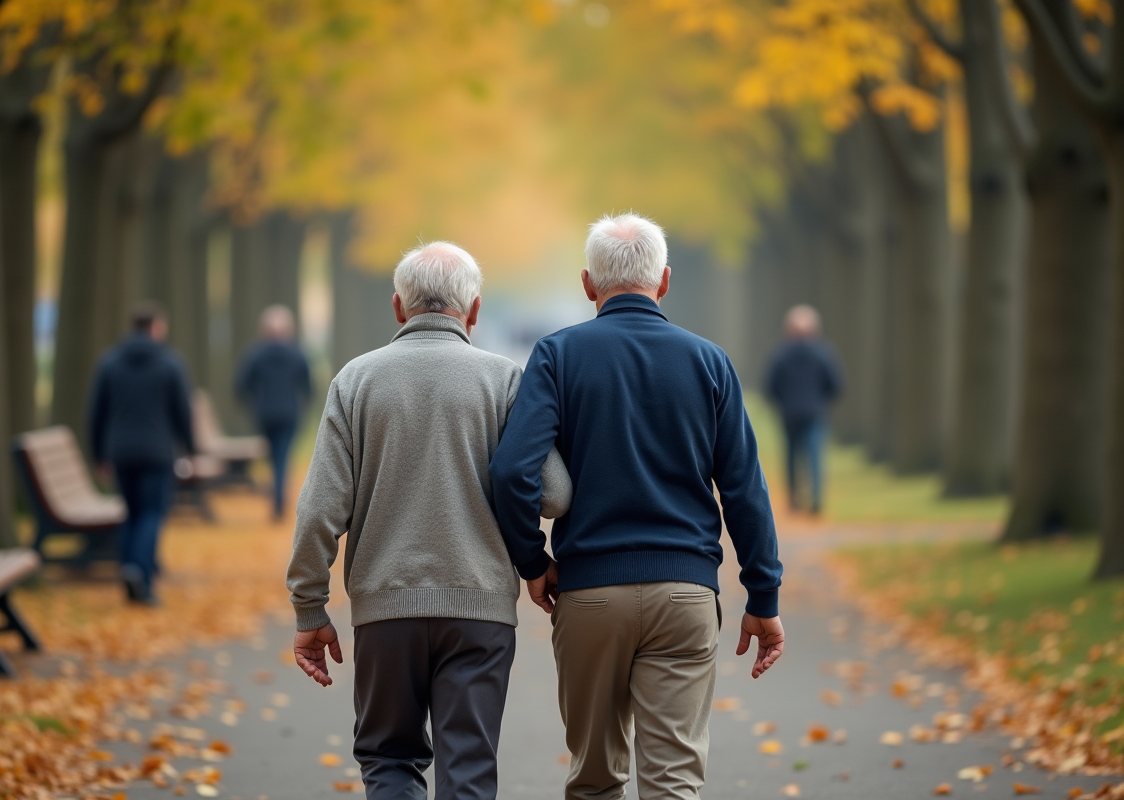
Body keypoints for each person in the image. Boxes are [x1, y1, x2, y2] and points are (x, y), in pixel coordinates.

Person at [489, 213, 785, 800]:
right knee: (673, 781)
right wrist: (764, 595)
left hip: (590, 592)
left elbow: (511, 471)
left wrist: (532, 560)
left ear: (588, 283)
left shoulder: (556, 356)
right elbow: (744, 488)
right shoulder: (710, 362)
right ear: (665, 280)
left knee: (595, 779)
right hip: (686, 591)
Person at [286, 241, 572, 800]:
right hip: (480, 608)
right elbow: (556, 493)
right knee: (468, 768)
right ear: (473, 310)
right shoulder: (505, 381)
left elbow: (320, 508)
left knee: (388, 760)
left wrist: (309, 607)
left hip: (384, 606)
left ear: (398, 307)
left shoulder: (355, 382)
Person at [89, 301, 194, 606]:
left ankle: (129, 570)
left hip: (120, 451)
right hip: (157, 452)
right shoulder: (170, 363)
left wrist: (99, 454)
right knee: (151, 513)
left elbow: (97, 412)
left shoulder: (109, 362)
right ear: (156, 328)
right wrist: (189, 448)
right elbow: (182, 412)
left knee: (131, 512)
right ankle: (140, 574)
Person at [235, 304, 314, 519]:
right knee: (282, 457)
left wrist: (254, 402)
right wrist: (302, 404)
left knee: (274, 458)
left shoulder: (256, 355)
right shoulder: (297, 354)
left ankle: (277, 497)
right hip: (289, 414)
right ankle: (279, 499)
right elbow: (308, 386)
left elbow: (241, 386)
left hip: (265, 414)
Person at [764, 304, 843, 514]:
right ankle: (816, 499)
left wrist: (782, 402)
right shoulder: (823, 353)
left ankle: (794, 500)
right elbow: (835, 383)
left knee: (791, 457)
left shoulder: (780, 355)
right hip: (815, 413)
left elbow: (771, 386)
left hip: (789, 413)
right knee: (814, 457)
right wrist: (822, 400)